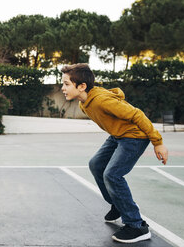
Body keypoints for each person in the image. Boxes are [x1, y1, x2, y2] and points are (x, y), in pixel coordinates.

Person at [60, 63, 169, 244]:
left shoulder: (102, 101)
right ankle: (118, 205)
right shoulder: (84, 102)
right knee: (96, 165)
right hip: (118, 135)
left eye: (66, 84)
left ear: (81, 86)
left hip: (134, 137)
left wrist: (158, 143)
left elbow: (137, 115)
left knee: (113, 175)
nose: (62, 88)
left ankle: (136, 226)